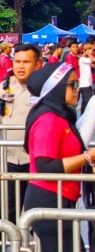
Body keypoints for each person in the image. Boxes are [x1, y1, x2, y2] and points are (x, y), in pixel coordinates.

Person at [0, 44, 42, 251]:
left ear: (38, 64)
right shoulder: (6, 86)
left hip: (37, 162)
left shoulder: (46, 88)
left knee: (37, 210)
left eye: (26, 62)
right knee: (5, 207)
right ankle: (3, 244)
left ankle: (34, 245)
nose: (21, 67)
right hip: (11, 160)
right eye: (18, 61)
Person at [23, 62, 91, 252]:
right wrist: (87, 157)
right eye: (72, 85)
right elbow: (45, 166)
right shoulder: (48, 120)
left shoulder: (60, 115)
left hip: (61, 195)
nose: (77, 89)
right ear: (57, 87)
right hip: (48, 198)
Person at [78, 43, 95, 114]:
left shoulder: (85, 59)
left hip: (88, 83)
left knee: (85, 102)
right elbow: (94, 59)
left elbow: (93, 65)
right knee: (86, 101)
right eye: (91, 49)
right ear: (87, 50)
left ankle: (83, 115)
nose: (93, 51)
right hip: (85, 83)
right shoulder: (82, 59)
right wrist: (88, 53)